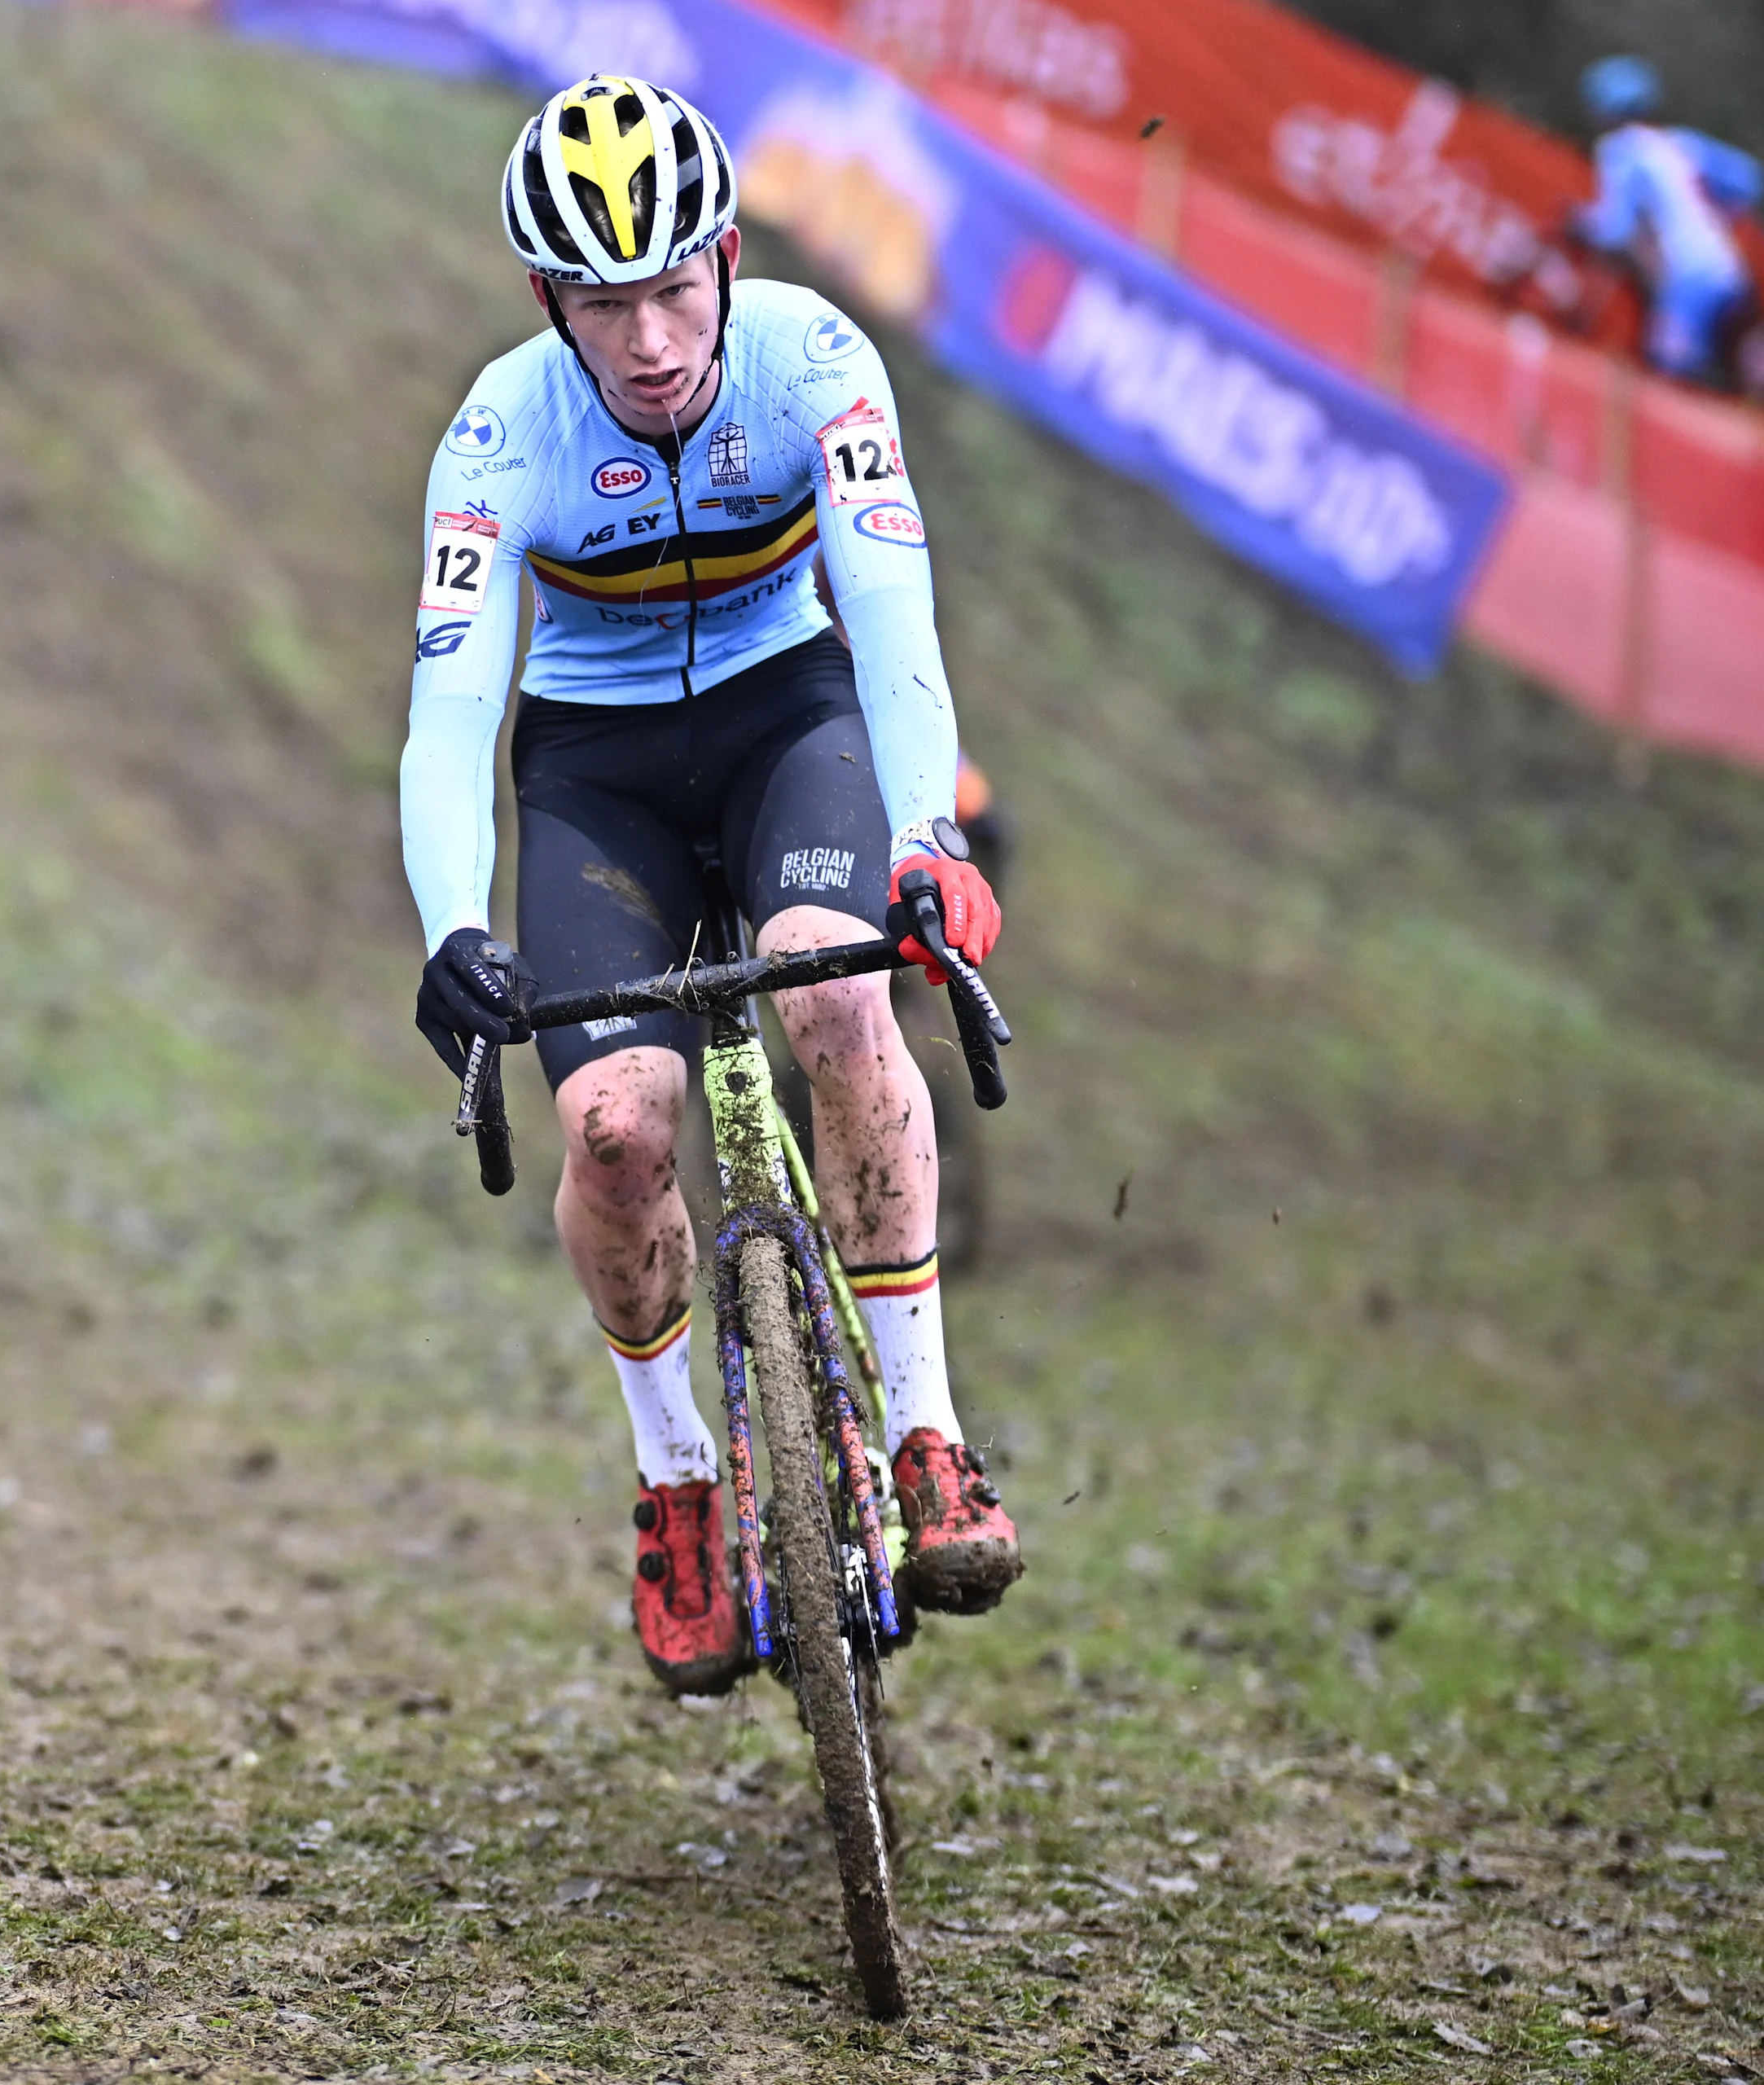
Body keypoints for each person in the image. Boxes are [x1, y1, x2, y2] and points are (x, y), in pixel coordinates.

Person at [400, 76, 1021, 1697]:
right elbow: (453, 711)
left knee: (834, 984)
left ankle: (927, 1438)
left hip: (786, 716)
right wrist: (452, 927)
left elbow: (890, 616)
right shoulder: (498, 432)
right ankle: (678, 1480)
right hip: (596, 773)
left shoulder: (817, 362)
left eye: (677, 287)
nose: (654, 339)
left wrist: (926, 845)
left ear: (730, 259)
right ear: (554, 305)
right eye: (608, 304)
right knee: (612, 1129)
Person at [1566, 56, 1764, 387]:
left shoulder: (1620, 150)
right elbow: (1750, 181)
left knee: (1667, 377)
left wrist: (1583, 223)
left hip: (1689, 281)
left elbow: (1616, 229)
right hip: (1730, 271)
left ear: (1606, 110)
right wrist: (1719, 214)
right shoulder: (1682, 144)